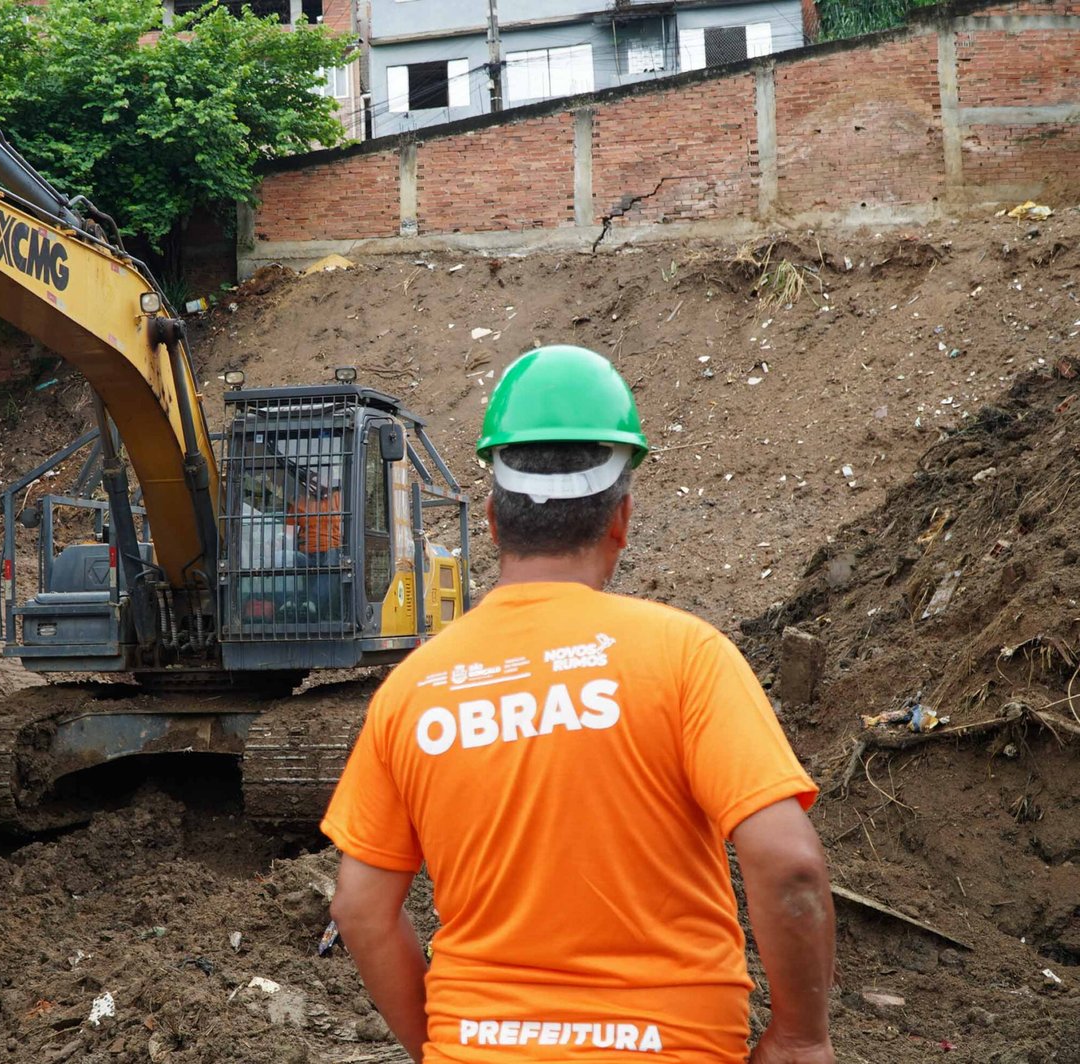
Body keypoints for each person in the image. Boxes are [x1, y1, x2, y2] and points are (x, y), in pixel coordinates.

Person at [320, 345, 835, 1064]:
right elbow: (790, 867)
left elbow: (360, 909)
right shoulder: (687, 658)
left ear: (495, 523)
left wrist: (444, 1044)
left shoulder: (415, 686)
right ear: (620, 519)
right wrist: (802, 1039)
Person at [287, 469, 345, 620]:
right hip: (306, 552)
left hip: (331, 548)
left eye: (324, 478)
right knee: (288, 557)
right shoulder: (299, 502)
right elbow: (288, 532)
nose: (319, 482)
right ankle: (289, 602)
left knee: (330, 563)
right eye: (315, 479)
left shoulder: (339, 498)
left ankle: (312, 602)